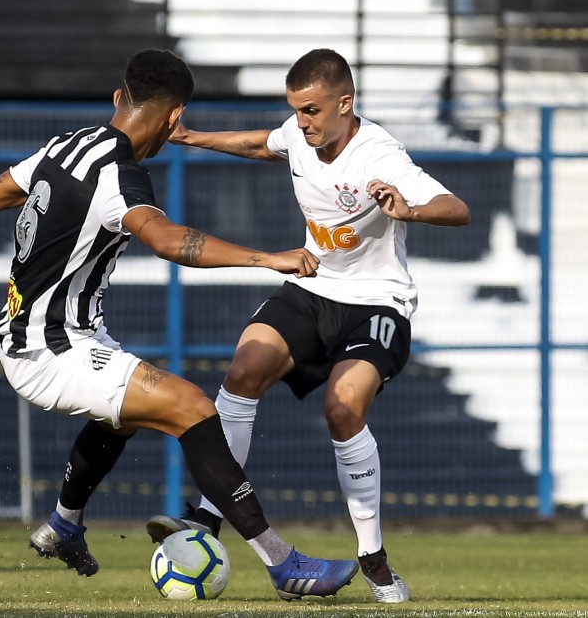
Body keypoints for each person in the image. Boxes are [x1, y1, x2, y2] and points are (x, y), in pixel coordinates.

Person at [0, 48, 359, 601]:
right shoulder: (117, 174)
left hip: (44, 338)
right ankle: (283, 563)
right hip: (53, 351)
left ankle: (64, 523)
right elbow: (170, 242)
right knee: (192, 407)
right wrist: (269, 258)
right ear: (175, 118)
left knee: (122, 414)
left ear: (119, 98)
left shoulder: (68, 145)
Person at [143, 48, 472, 603]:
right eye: (296, 111)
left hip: (377, 303)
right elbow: (261, 144)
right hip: (312, 287)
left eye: (313, 111)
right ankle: (204, 519)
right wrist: (193, 138)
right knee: (244, 369)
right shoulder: (299, 135)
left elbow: (455, 206)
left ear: (346, 103)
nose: (303, 122)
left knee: (343, 408)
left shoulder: (380, 154)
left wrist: (409, 210)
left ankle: (373, 559)